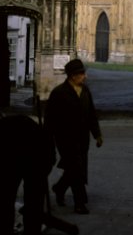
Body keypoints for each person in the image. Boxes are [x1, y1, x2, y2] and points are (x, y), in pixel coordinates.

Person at [0, 110, 54, 235]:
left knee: (3, 202)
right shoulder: (29, 124)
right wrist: (46, 169)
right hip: (37, 159)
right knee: (34, 200)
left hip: (13, 163)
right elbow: (49, 145)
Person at [44, 58, 103, 214]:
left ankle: (59, 188)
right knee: (76, 168)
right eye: (82, 74)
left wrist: (97, 134)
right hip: (65, 138)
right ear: (73, 76)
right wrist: (47, 139)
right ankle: (80, 202)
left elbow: (91, 114)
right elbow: (50, 120)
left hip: (82, 138)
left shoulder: (85, 91)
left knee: (76, 168)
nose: (85, 77)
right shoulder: (58, 93)